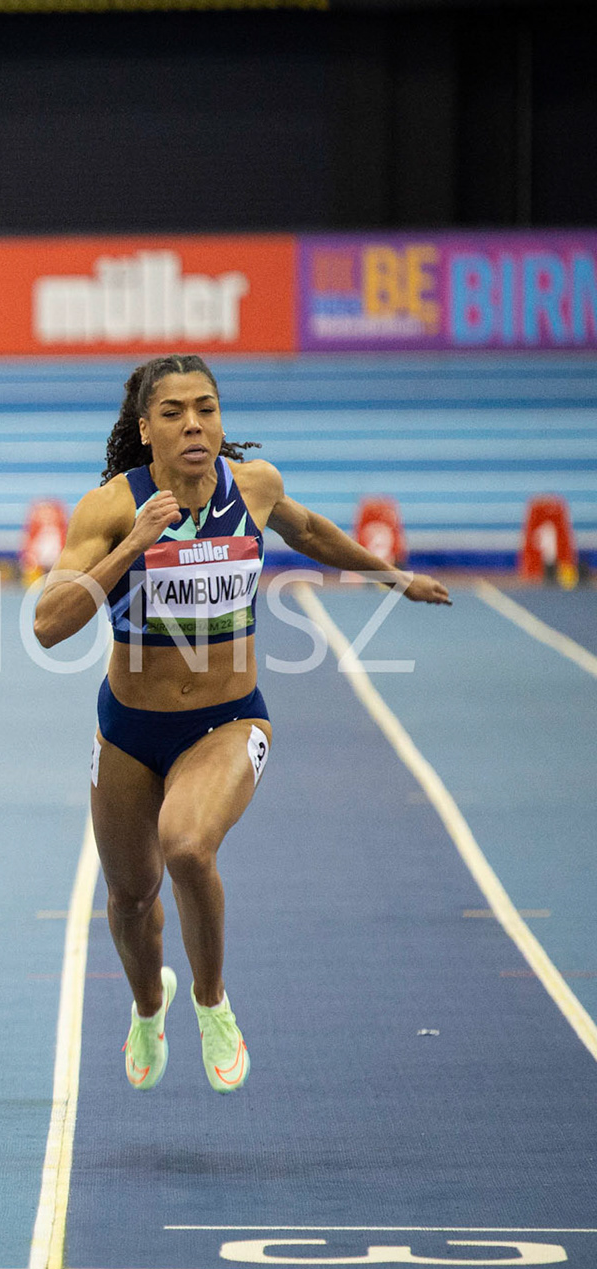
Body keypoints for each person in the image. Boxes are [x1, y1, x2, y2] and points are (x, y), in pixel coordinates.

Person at [33, 354, 449, 1095]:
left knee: (188, 846)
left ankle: (212, 1003)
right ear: (146, 429)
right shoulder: (107, 507)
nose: (194, 423)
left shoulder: (252, 486)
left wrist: (393, 576)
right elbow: (47, 625)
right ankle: (147, 1006)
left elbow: (312, 531)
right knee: (130, 899)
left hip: (228, 722)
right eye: (173, 413)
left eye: (207, 408)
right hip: (128, 731)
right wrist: (135, 542)